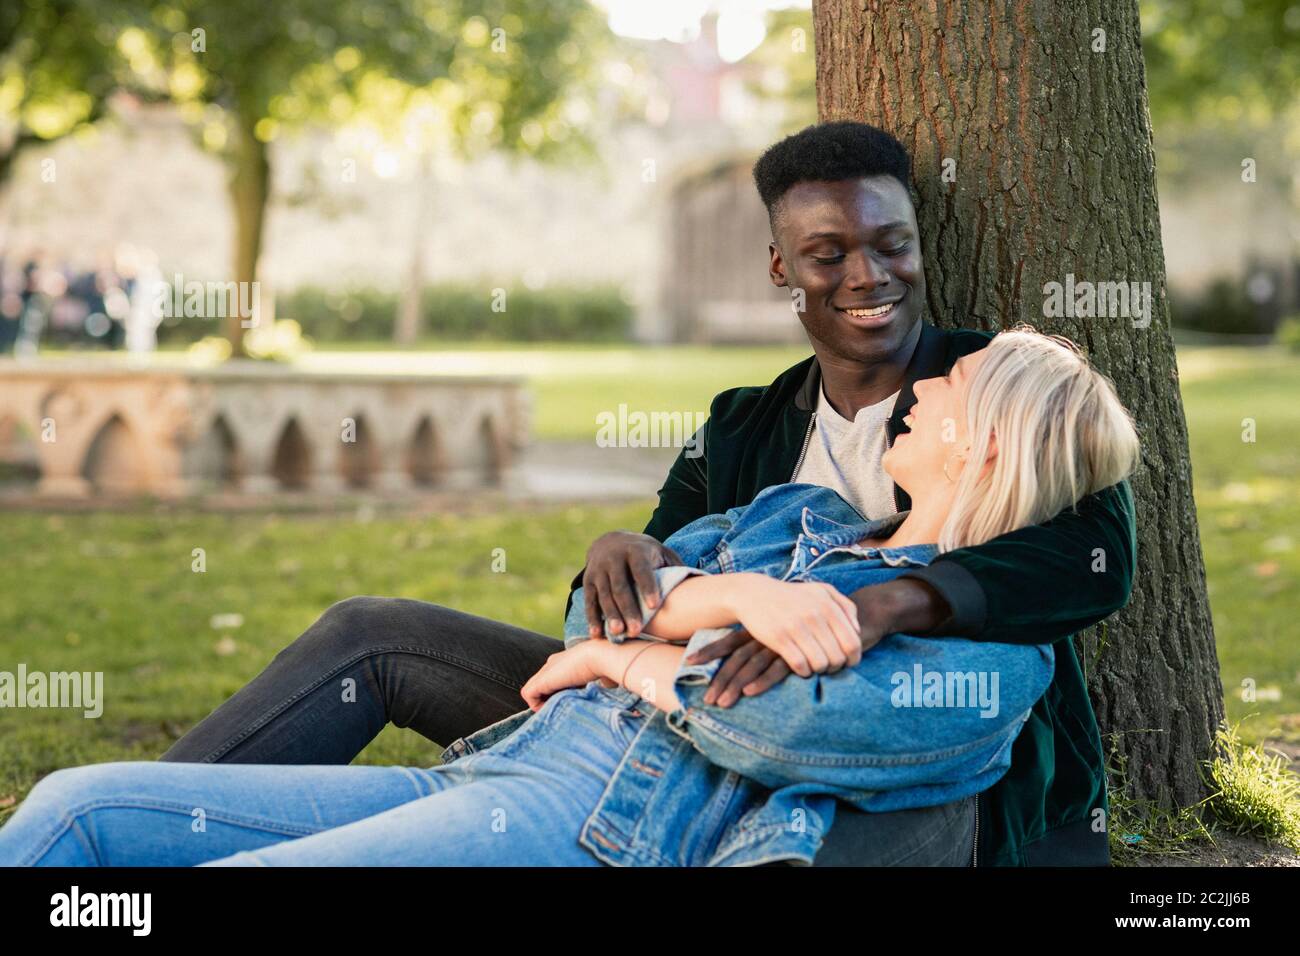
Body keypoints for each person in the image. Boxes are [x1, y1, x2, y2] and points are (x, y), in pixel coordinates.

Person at [151, 121, 1137, 866]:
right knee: (374, 629)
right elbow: (620, 611)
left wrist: (872, 606)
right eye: (828, 253)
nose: (867, 275)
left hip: (873, 751)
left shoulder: (995, 390)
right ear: (781, 268)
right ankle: (154, 821)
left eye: (892, 243)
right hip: (666, 719)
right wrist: (629, 554)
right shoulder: (744, 422)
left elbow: (1092, 560)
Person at [0, 326, 1140, 866]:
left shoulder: (1000, 654)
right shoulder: (804, 519)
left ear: (986, 448)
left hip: (597, 821)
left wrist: (623, 663)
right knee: (71, 811)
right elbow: (591, 607)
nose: (929, 376)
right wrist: (720, 593)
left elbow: (782, 720)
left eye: (956, 383)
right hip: (499, 762)